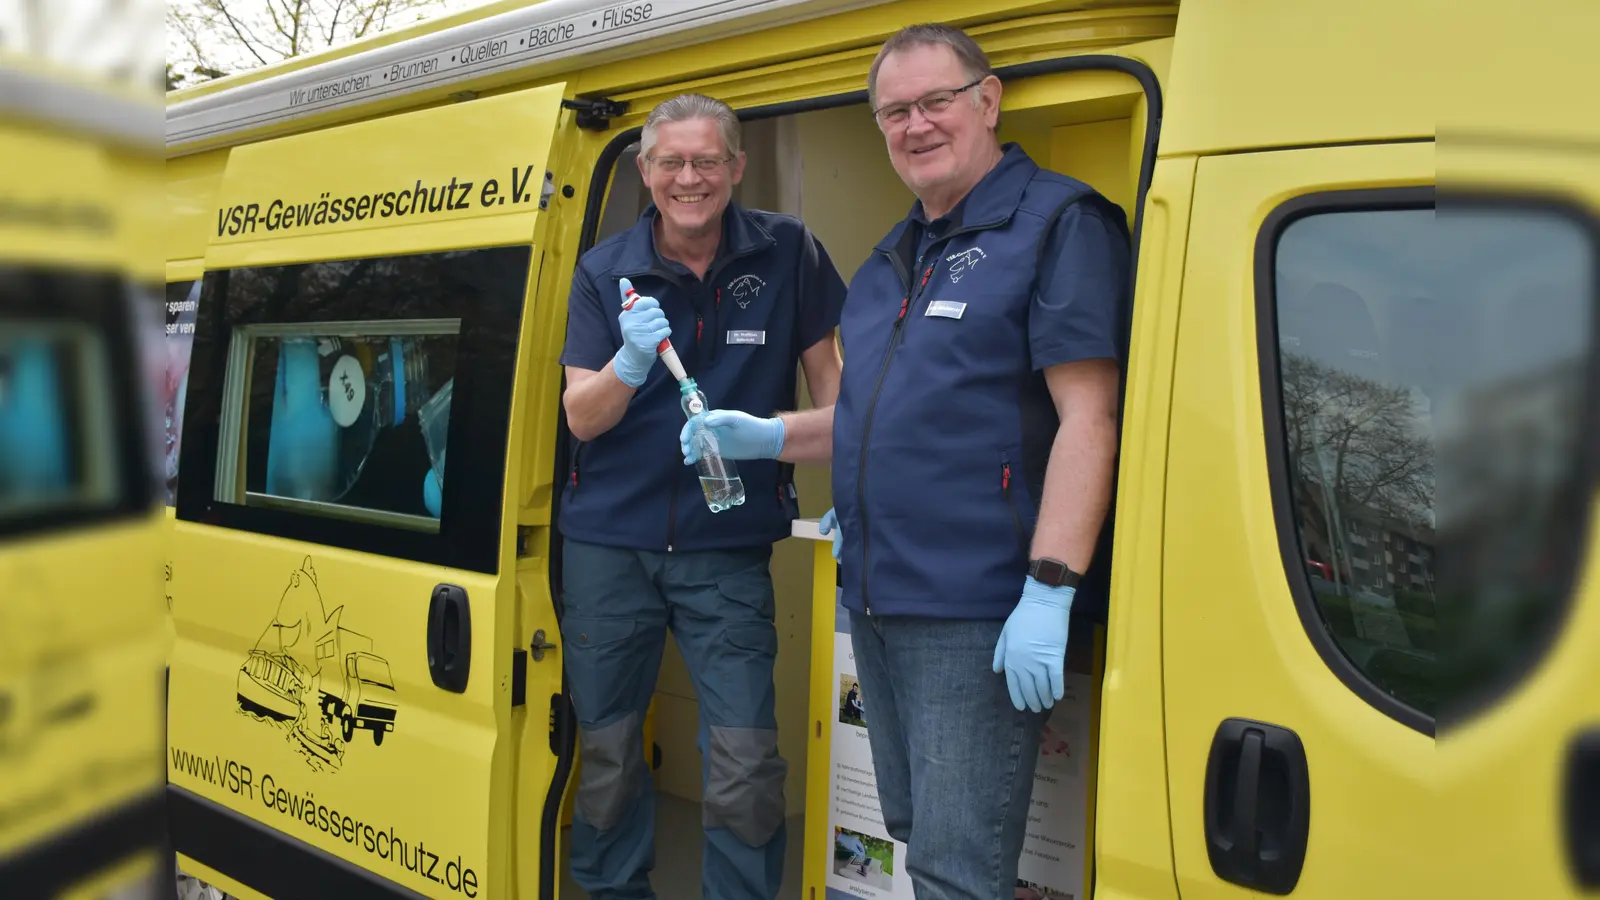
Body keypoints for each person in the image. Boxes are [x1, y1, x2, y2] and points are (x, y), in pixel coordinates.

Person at [683, 24, 1130, 898]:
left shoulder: (1057, 225)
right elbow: (864, 417)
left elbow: (1092, 417)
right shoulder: (893, 258)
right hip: (877, 601)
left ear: (987, 101)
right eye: (895, 111)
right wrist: (770, 435)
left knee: (958, 870)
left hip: (975, 611)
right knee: (915, 837)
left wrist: (1049, 586)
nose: (915, 125)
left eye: (936, 102)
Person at [556, 92, 847, 900]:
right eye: (672, 162)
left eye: (708, 160)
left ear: (736, 167)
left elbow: (845, 402)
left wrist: (847, 484)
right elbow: (582, 417)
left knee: (747, 759)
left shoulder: (790, 252)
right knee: (611, 753)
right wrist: (629, 364)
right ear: (645, 171)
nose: (691, 177)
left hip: (727, 551)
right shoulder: (602, 271)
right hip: (610, 551)